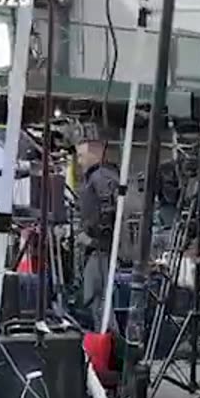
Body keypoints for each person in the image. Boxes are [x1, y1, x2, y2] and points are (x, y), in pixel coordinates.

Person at [76, 136, 119, 331]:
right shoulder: (101, 176)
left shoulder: (101, 178)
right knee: (98, 300)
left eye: (81, 156)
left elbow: (108, 212)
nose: (79, 161)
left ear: (95, 154)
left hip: (102, 250)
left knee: (98, 299)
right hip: (100, 248)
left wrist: (92, 240)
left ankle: (109, 350)